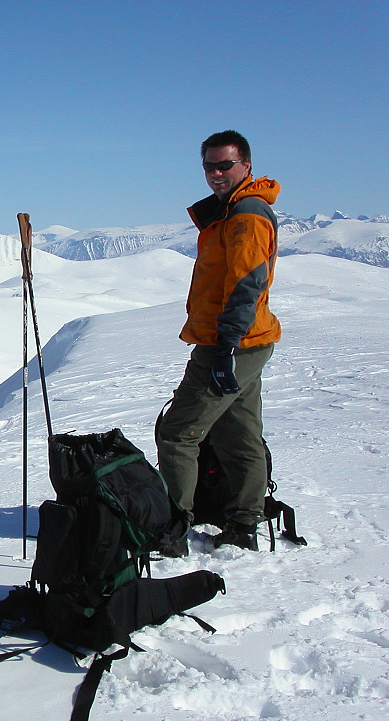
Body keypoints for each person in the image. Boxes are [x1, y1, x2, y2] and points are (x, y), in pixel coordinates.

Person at [156, 130, 281, 554]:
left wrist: (226, 346)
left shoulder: (245, 214)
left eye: (224, 165)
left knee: (178, 433)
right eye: (209, 166)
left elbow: (246, 282)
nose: (215, 173)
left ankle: (172, 529)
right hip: (248, 340)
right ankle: (244, 524)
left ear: (246, 164)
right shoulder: (231, 211)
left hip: (229, 342)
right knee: (236, 433)